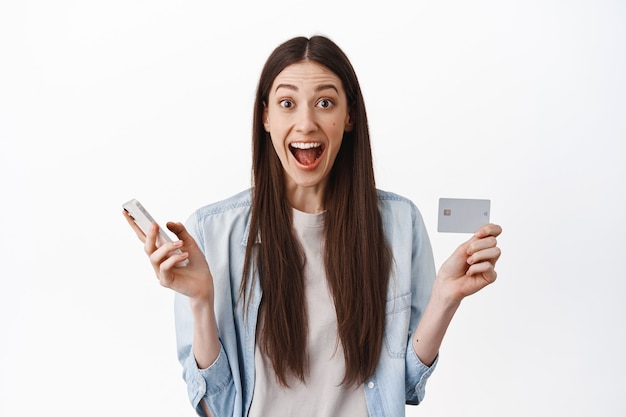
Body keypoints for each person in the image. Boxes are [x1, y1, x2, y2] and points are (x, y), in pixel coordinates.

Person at [124, 35, 502, 417]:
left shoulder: (400, 225)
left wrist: (445, 299)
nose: (306, 123)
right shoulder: (212, 231)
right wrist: (202, 301)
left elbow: (402, 387)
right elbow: (215, 407)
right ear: (266, 117)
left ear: (349, 116)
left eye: (325, 103)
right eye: (287, 104)